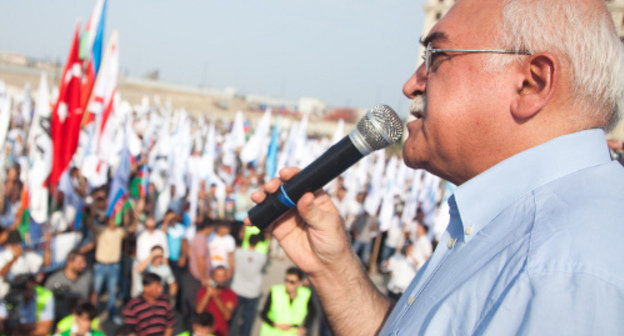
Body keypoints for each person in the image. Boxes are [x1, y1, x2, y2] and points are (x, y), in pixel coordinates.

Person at [245, 0, 624, 334]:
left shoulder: (562, 272)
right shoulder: (525, 227)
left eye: (436, 57)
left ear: (531, 83)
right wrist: (333, 269)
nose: (411, 84)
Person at [230, 234, 268, 336]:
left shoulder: (239, 252)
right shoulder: (262, 257)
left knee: (230, 317)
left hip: (237, 289)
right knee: (248, 321)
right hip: (252, 292)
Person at [259, 267, 315, 336]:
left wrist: (305, 327)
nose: (287, 284)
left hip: (292, 333)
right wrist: (275, 324)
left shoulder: (305, 294)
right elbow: (263, 314)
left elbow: (313, 312)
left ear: (300, 283)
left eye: (292, 282)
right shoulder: (275, 291)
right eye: (286, 280)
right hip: (272, 332)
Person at [44, 250, 92, 319]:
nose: (84, 265)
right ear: (69, 263)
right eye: (80, 262)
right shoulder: (53, 280)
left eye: (84, 261)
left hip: (80, 320)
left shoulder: (87, 277)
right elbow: (45, 301)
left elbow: (93, 294)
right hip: (59, 320)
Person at [195, 266, 237, 336]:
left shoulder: (230, 294)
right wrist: (208, 295)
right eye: (218, 276)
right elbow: (199, 311)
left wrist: (216, 297)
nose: (220, 279)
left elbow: (228, 316)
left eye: (222, 276)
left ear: (226, 277)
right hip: (205, 332)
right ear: (213, 277)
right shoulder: (204, 290)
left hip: (220, 332)